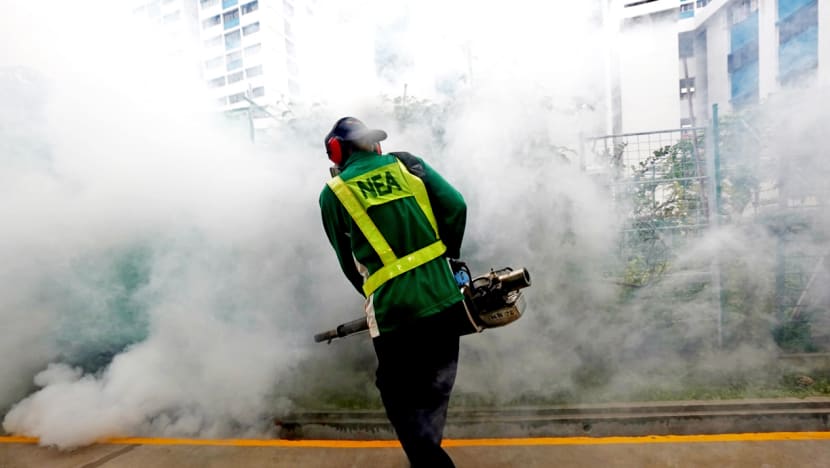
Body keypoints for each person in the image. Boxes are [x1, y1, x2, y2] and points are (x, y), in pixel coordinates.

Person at [318, 116, 468, 467]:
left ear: (336, 151)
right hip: (446, 297)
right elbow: (457, 206)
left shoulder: (334, 193)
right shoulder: (409, 165)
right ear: (375, 144)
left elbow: (346, 261)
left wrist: (374, 291)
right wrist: (447, 257)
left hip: (393, 311)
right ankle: (427, 458)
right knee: (434, 390)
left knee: (397, 394)